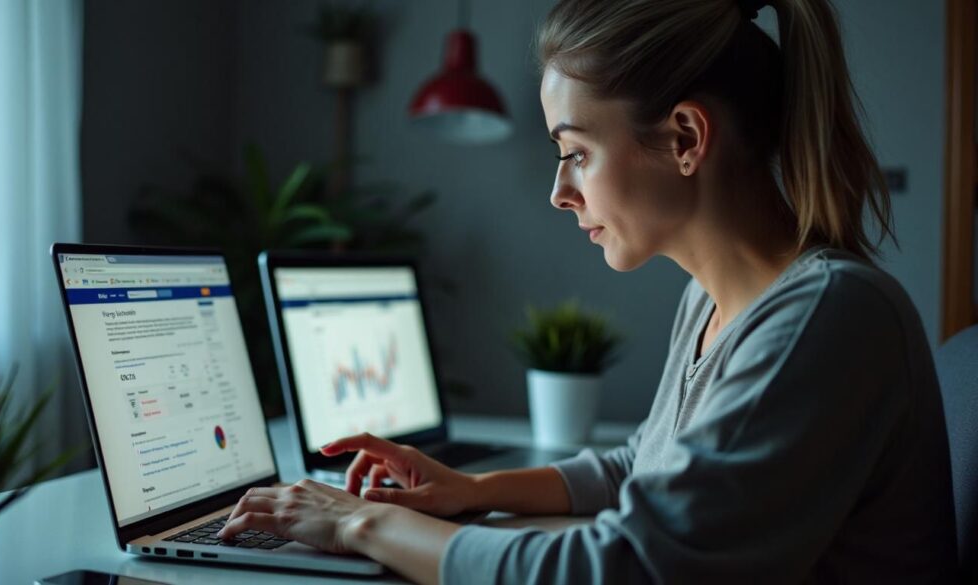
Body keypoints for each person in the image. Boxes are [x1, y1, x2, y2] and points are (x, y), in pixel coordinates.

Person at [217, 0, 959, 582]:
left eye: (576, 152)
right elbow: (642, 465)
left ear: (686, 139)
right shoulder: (715, 300)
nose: (558, 192)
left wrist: (358, 524)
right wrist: (470, 490)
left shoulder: (827, 318)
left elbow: (630, 567)